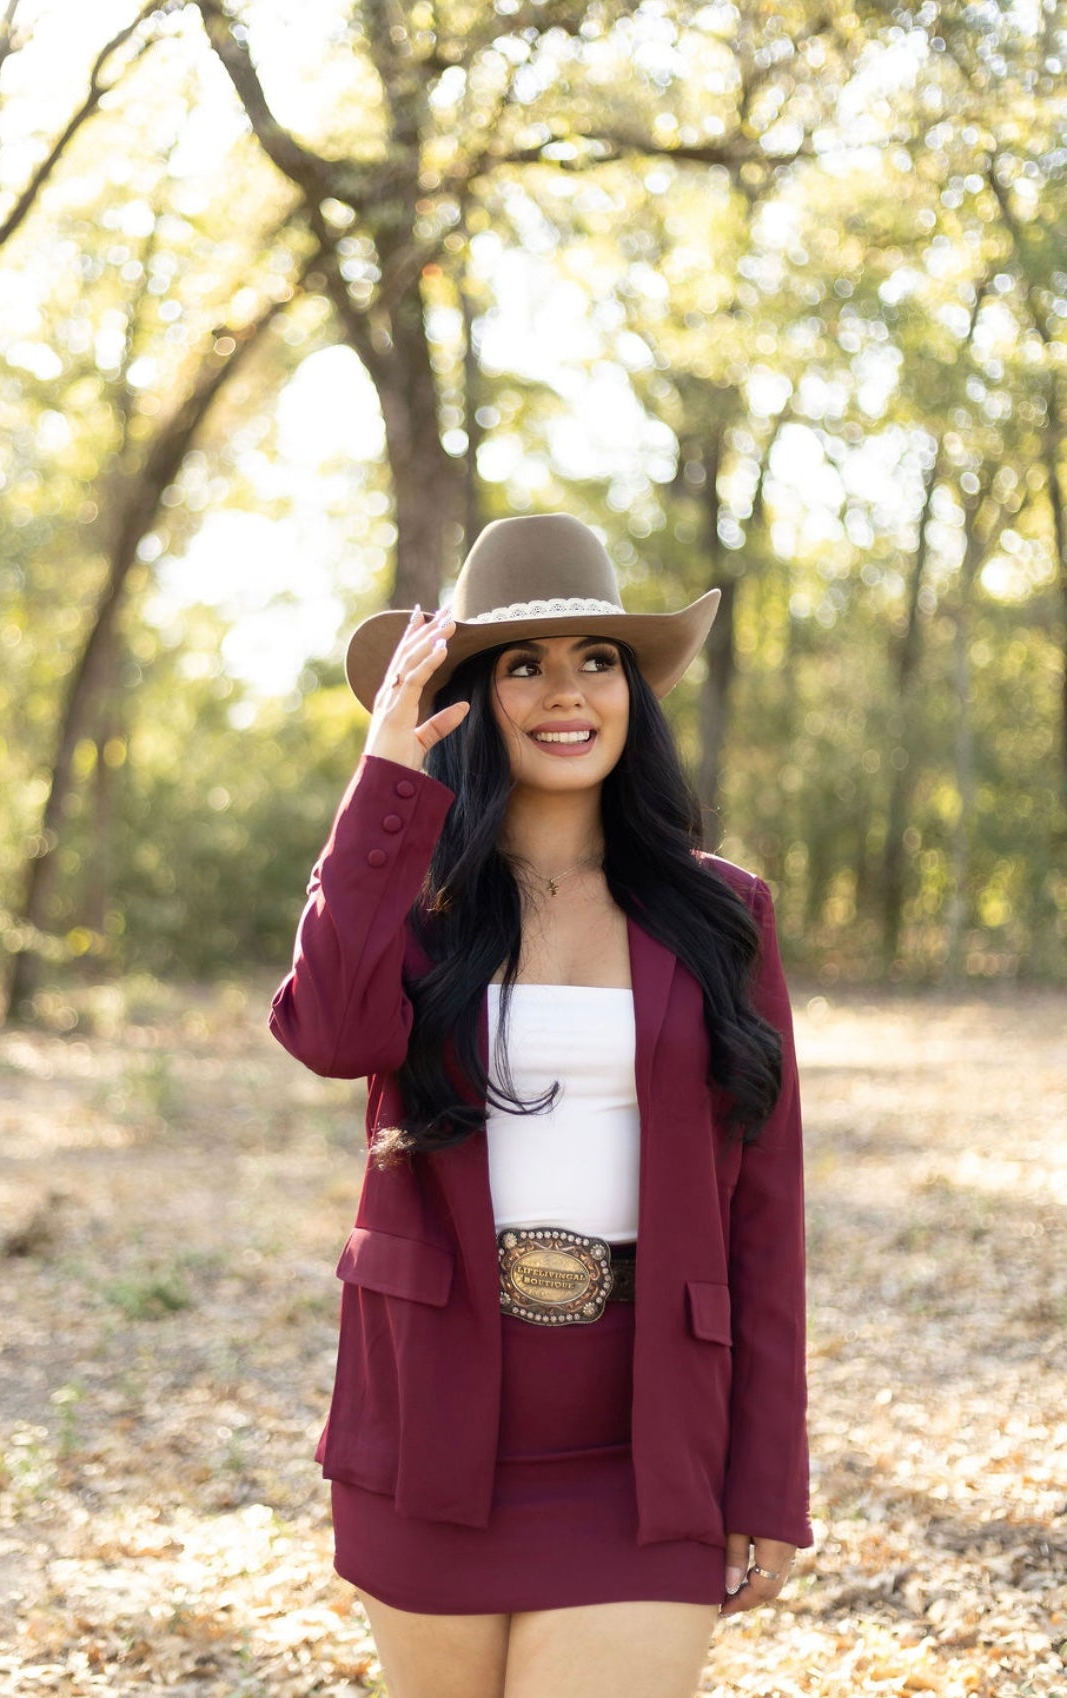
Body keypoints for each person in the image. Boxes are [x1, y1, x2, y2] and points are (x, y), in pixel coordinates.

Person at [269, 513, 811, 1698]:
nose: (566, 692)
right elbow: (326, 1031)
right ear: (470, 696)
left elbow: (767, 1213)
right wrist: (383, 783)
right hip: (433, 1426)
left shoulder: (723, 914)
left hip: (647, 1439)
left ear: (633, 691)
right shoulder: (410, 904)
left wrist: (767, 1478)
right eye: (523, 664)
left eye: (595, 658)